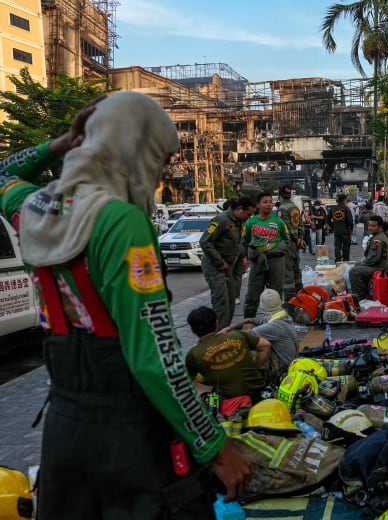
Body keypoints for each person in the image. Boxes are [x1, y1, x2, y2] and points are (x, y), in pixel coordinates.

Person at [0, 92, 251, 518]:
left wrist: (58, 144)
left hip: (63, 426)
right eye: (159, 158)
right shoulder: (121, 221)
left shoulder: (34, 206)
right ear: (133, 149)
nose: (159, 172)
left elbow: (2, 172)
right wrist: (213, 444)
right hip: (128, 436)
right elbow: (154, 356)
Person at [186, 306, 269, 403]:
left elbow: (186, 381)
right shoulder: (236, 335)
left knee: (191, 384)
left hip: (229, 400)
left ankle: (212, 409)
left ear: (192, 330)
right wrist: (256, 367)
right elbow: (266, 345)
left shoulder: (193, 353)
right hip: (258, 391)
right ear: (216, 323)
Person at [200, 196, 253, 330]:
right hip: (215, 266)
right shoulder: (221, 220)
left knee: (231, 300)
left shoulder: (238, 221)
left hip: (228, 265)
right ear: (240, 209)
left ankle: (225, 330)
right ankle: (218, 335)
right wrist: (219, 262)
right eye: (248, 214)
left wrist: (238, 256)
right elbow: (205, 242)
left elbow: (234, 243)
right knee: (221, 301)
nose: (249, 217)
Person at [236, 289, 298, 385]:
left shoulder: (273, 326)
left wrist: (223, 334)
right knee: (250, 326)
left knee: (247, 348)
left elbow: (242, 336)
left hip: (282, 368)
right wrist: (230, 327)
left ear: (262, 306)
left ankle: (255, 377)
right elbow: (253, 320)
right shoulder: (282, 315)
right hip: (290, 361)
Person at [242, 191, 289, 319]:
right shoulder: (250, 222)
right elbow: (245, 241)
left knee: (276, 292)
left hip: (276, 261)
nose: (268, 205)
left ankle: (277, 319)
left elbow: (287, 240)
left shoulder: (279, 222)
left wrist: (276, 249)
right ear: (258, 205)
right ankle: (248, 320)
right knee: (252, 293)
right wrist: (247, 256)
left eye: (270, 202)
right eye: (265, 202)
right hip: (257, 261)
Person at [349, 215, 388, 301]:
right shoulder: (377, 236)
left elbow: (374, 259)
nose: (370, 228)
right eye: (369, 225)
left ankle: (359, 297)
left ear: (380, 227)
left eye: (373, 226)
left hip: (381, 268)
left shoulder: (378, 239)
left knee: (353, 271)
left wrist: (363, 263)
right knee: (357, 265)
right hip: (380, 265)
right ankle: (364, 293)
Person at [278, 185, 306, 293]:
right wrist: (300, 238)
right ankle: (300, 291)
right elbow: (301, 224)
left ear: (280, 196)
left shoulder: (282, 208)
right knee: (296, 268)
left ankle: (290, 297)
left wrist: (296, 238)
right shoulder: (294, 207)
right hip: (296, 243)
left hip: (288, 243)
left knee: (287, 270)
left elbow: (285, 227)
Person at [328, 193, 354, 262]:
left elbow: (327, 219)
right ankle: (345, 260)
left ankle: (338, 260)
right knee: (346, 246)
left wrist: (332, 226)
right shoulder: (346, 208)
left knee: (337, 246)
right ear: (344, 200)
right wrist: (351, 228)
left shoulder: (333, 208)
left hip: (336, 230)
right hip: (345, 230)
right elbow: (350, 220)